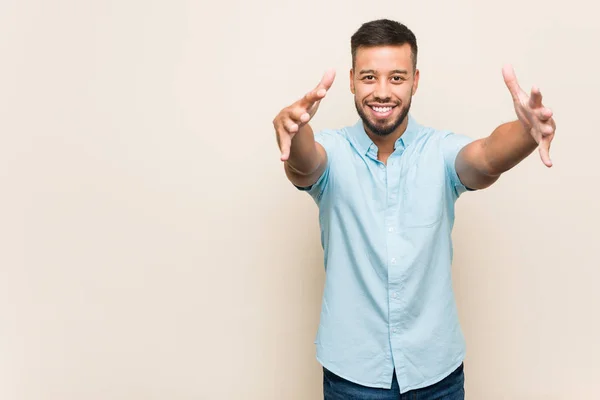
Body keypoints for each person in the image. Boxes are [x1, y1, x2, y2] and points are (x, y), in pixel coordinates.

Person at [272, 18, 556, 400]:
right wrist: (296, 130)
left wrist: (525, 132)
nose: (382, 92)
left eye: (397, 77)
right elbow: (305, 163)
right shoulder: (333, 152)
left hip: (436, 374)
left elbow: (487, 157)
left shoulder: (440, 151)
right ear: (352, 80)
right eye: (370, 77)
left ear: (415, 81)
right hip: (353, 376)